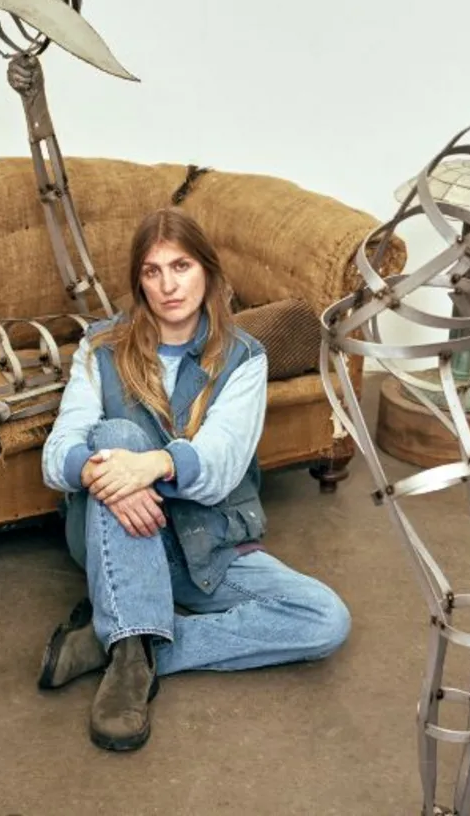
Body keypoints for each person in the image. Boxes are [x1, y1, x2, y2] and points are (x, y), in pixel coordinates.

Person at [36, 205, 351, 752]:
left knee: (324, 619)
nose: (167, 285)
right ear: (139, 281)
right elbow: (58, 450)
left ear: (206, 271)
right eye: (152, 271)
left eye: (180, 266)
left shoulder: (243, 359)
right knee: (117, 437)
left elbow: (223, 463)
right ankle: (130, 668)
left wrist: (152, 467)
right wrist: (97, 467)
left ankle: (122, 641)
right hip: (119, 543)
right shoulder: (101, 347)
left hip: (206, 547)